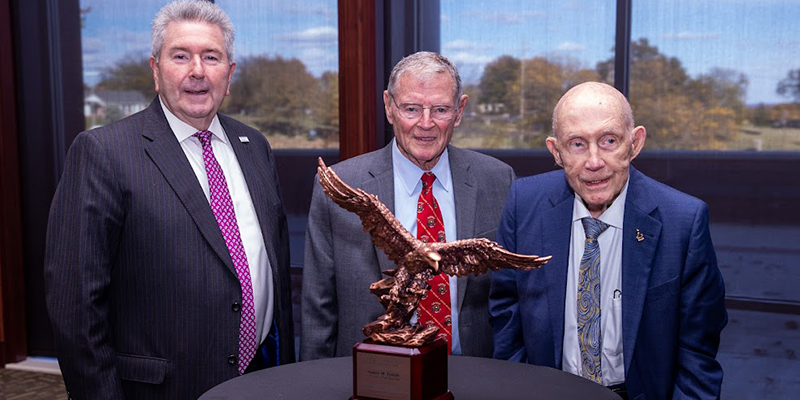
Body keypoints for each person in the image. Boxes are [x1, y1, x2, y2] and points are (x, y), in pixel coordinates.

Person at [44, 1, 294, 398]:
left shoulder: (255, 147)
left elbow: (272, 269)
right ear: (156, 70)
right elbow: (76, 308)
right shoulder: (104, 153)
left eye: (211, 57)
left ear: (228, 75)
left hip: (259, 375)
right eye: (181, 56)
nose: (197, 70)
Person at [490, 82, 727, 400]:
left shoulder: (683, 222)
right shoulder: (523, 203)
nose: (594, 161)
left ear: (635, 143)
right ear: (555, 152)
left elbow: (697, 353)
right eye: (576, 144)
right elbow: (507, 309)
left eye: (609, 141)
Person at [301, 51, 514, 360]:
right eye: (411, 109)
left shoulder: (498, 180)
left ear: (460, 110)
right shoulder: (342, 185)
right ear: (389, 107)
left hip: (475, 371)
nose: (425, 124)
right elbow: (318, 308)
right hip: (375, 375)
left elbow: (513, 296)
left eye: (440, 109)